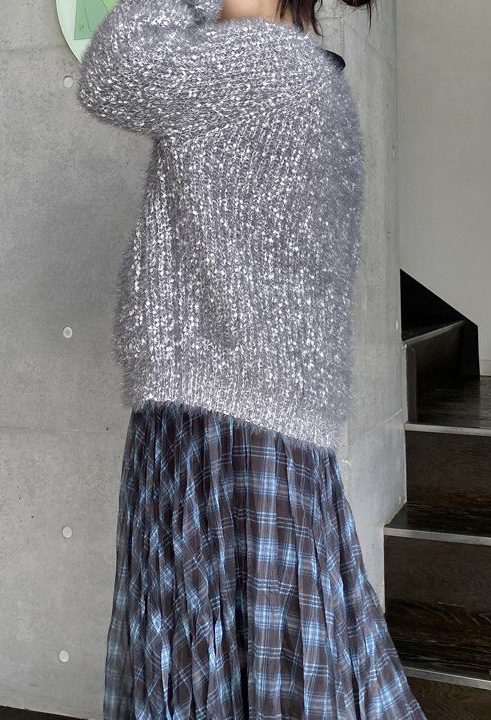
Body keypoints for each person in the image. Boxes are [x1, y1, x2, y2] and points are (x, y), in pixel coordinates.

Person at [77, 0, 427, 717]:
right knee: (285, 661)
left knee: (208, 668)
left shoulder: (259, 64)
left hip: (221, 425)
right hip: (261, 425)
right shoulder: (310, 76)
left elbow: (111, 69)